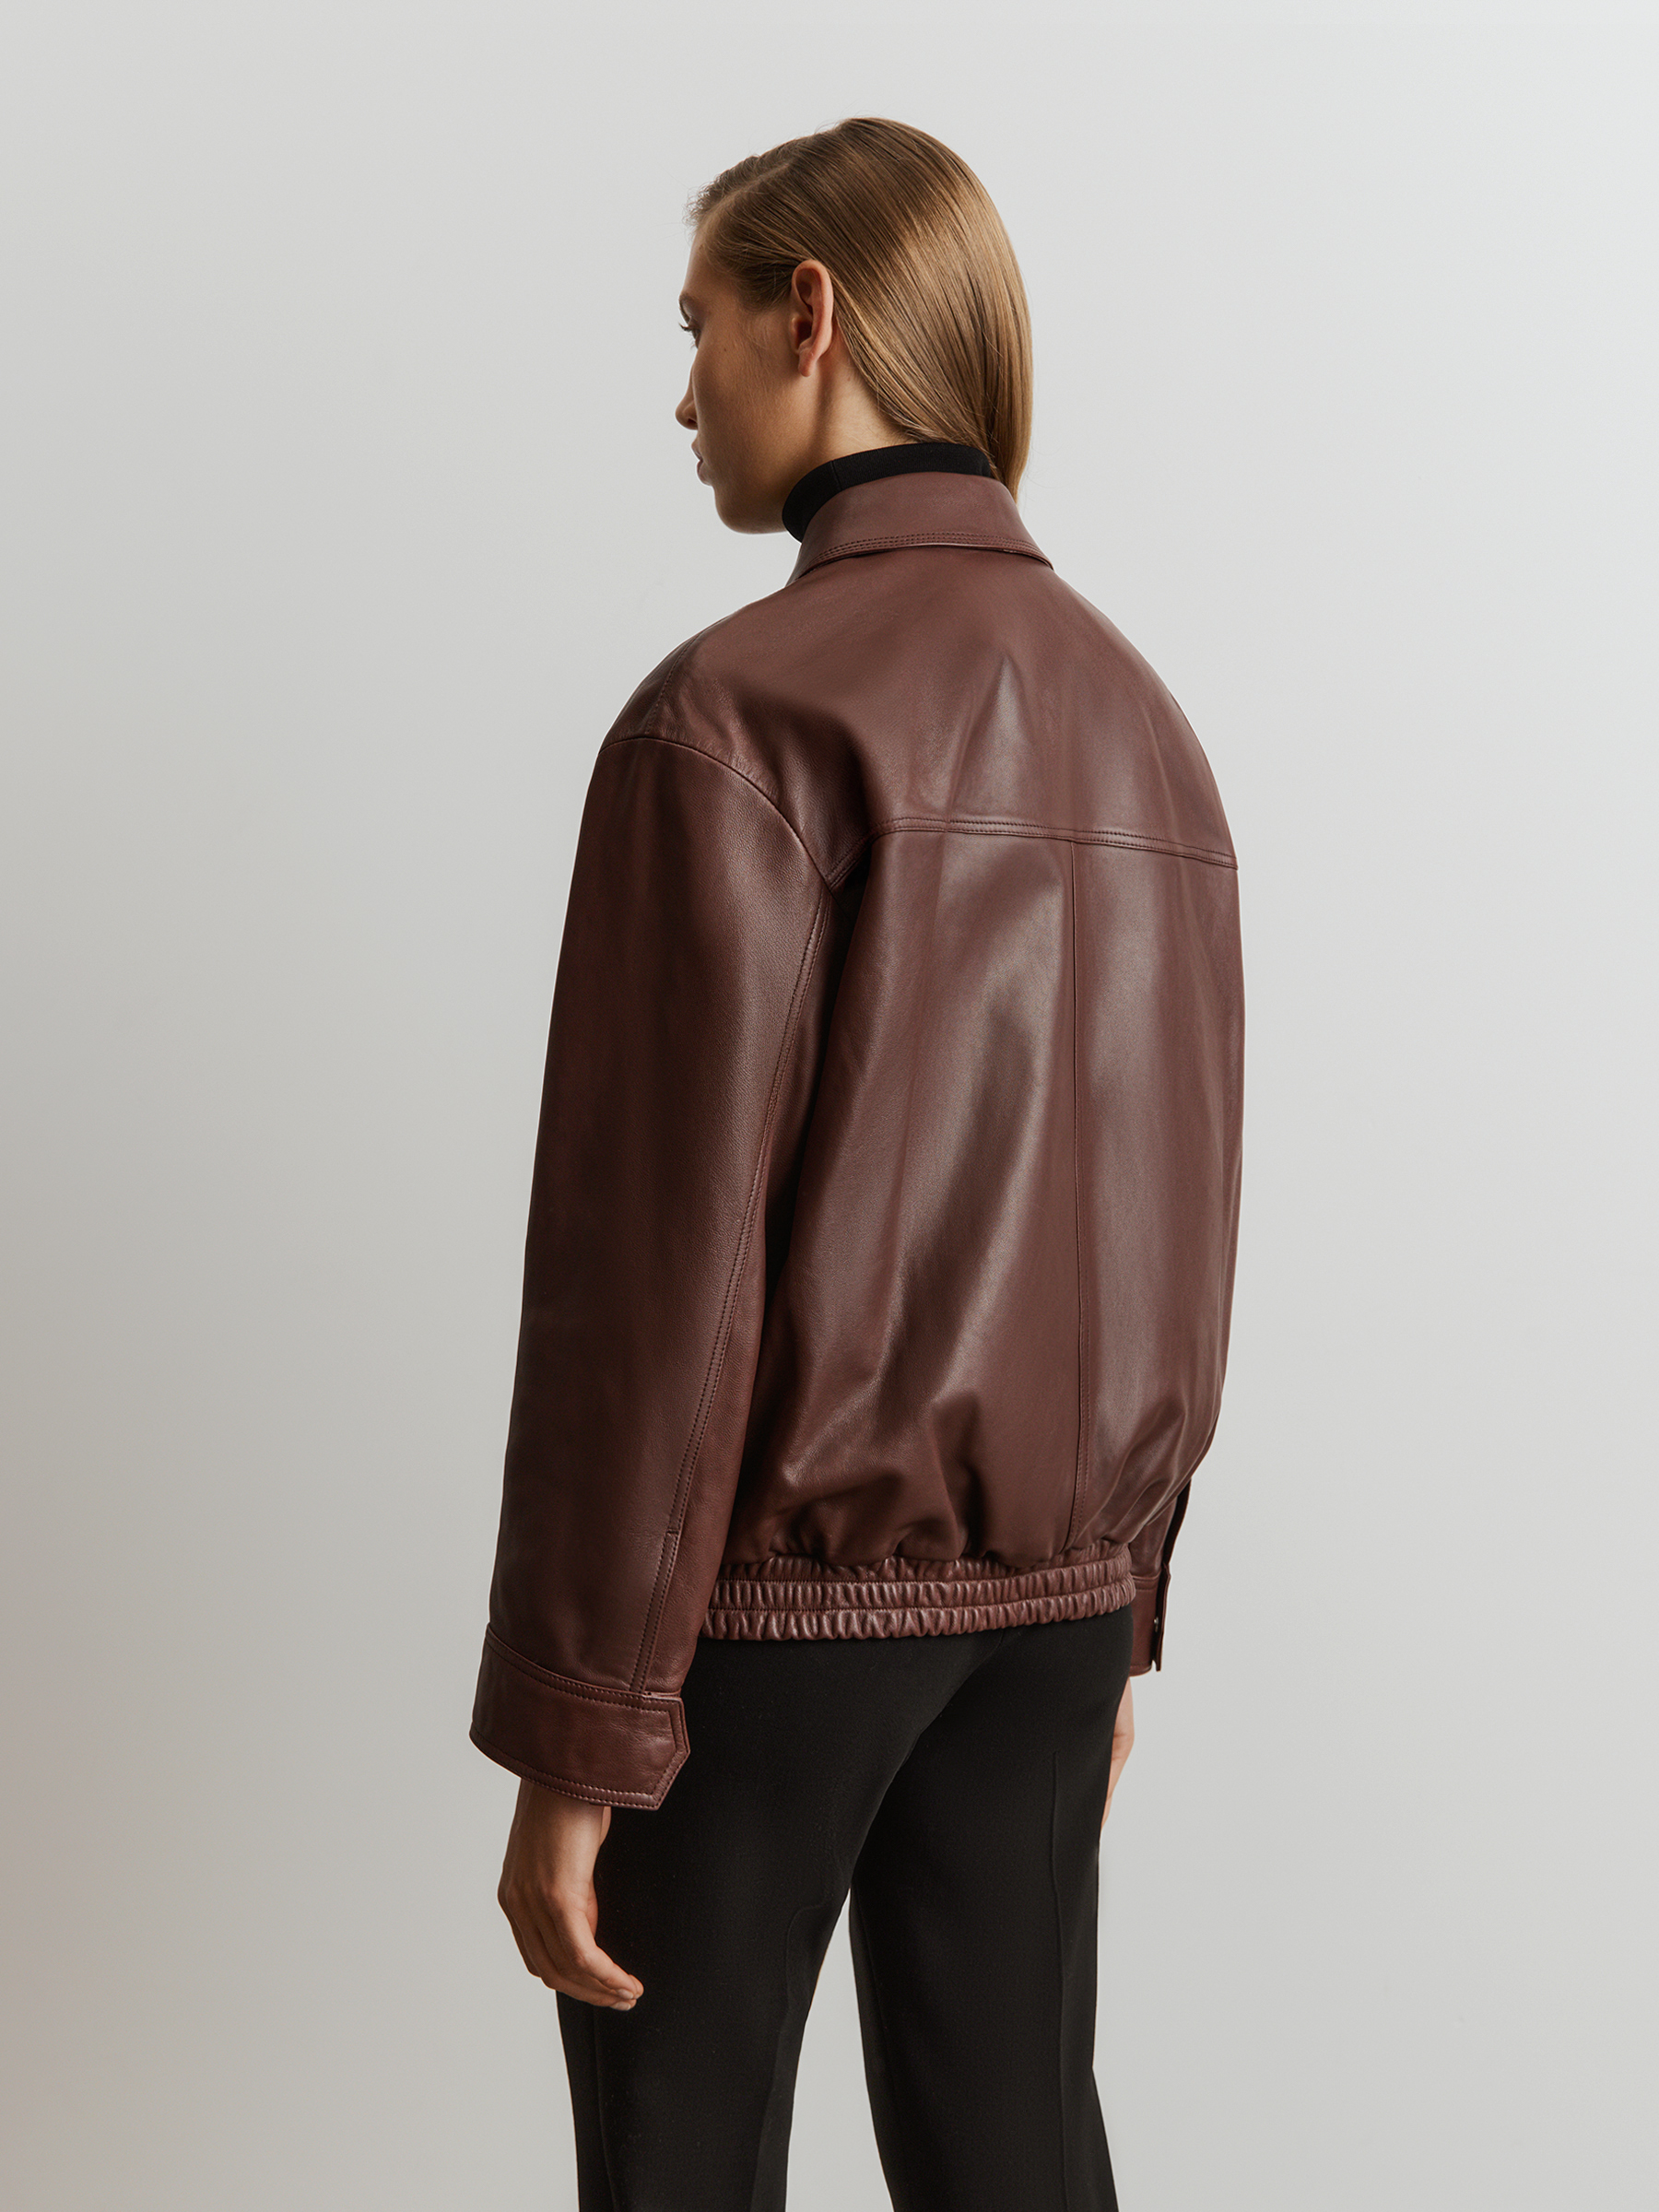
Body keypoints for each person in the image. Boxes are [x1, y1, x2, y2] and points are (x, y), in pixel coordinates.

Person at [470, 116, 1243, 2212]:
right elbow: (1176, 1209)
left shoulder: (728, 722)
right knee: (1019, 2157)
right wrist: (1119, 1611)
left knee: (680, 2162)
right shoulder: (1151, 731)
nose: (684, 393)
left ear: (809, 314)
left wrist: (580, 1726)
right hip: (1053, 1617)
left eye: (698, 325)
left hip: (772, 1618)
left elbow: (652, 1286)